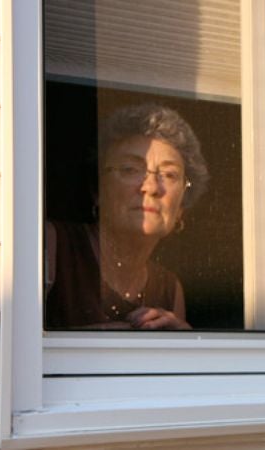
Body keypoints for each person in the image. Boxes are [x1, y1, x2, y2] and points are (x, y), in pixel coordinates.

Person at [44, 104, 209, 330]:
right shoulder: (52, 246)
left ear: (181, 206)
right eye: (131, 169)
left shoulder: (170, 289)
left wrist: (182, 342)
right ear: (97, 190)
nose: (151, 187)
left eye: (169, 175)